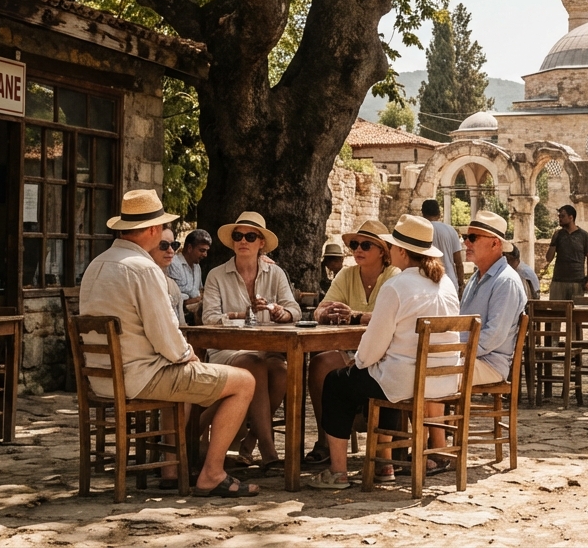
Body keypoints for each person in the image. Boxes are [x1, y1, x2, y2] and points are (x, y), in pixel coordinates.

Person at [79, 189, 258, 497]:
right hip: (140, 377)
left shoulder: (97, 263)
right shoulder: (143, 268)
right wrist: (189, 355)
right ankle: (212, 473)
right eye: (162, 227)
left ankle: (171, 470)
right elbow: (166, 336)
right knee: (244, 381)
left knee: (185, 379)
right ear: (152, 230)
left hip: (102, 378)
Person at [307, 215, 461, 489]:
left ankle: (338, 471)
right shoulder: (446, 284)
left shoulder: (396, 286)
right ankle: (384, 463)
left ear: (401, 251)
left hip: (406, 380)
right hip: (443, 380)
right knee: (383, 376)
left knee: (337, 383)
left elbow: (373, 346)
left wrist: (357, 362)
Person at [201, 211, 300, 469]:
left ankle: (249, 442)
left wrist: (279, 312)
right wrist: (240, 315)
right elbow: (209, 318)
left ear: (261, 243)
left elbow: (295, 310)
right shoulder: (216, 275)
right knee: (254, 365)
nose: (243, 241)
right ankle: (269, 451)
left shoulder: (275, 273)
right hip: (228, 349)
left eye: (250, 236)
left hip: (266, 349)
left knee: (282, 372)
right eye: (238, 236)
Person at [305, 219, 399, 465]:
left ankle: (380, 447)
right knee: (319, 365)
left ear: (383, 251)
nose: (358, 249)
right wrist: (324, 314)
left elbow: (392, 317)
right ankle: (325, 440)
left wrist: (355, 315)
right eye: (355, 244)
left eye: (366, 245)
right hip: (350, 351)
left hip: (386, 354)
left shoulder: (394, 276)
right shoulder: (346, 275)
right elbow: (320, 308)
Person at [458, 211, 528, 386]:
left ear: (495, 243)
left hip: (489, 364)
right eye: (465, 237)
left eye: (472, 238)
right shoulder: (476, 278)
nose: (466, 243)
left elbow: (493, 336)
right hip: (468, 357)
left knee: (428, 374)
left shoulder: (506, 281)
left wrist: (454, 350)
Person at [542, 205, 588, 300]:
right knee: (556, 309)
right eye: (559, 216)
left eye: (562, 216)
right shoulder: (558, 235)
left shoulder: (584, 235)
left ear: (571, 217)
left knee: (576, 309)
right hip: (558, 281)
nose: (560, 219)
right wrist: (554, 241)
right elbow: (548, 258)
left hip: (577, 281)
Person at [422, 199, 465, 293]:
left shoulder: (422, 231)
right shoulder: (451, 230)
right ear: (439, 213)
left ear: (423, 214)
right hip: (450, 282)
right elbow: (458, 262)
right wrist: (461, 284)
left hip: (428, 283)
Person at [148, 226, 185, 323]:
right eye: (163, 245)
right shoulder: (143, 281)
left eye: (174, 245)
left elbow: (182, 325)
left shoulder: (173, 286)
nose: (170, 250)